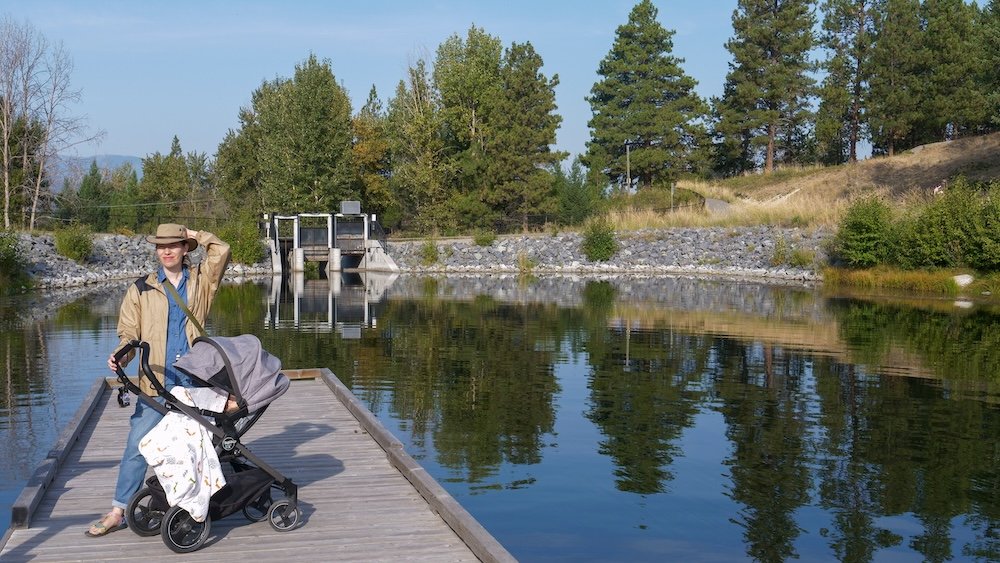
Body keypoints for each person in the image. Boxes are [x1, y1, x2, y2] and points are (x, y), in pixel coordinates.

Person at [85, 223, 231, 537]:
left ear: (184, 248)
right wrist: (121, 356)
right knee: (138, 445)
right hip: (156, 384)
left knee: (194, 447)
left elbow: (221, 251)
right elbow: (128, 335)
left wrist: (197, 234)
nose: (166, 251)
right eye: (161, 246)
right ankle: (118, 511)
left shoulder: (202, 282)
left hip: (193, 383)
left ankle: (194, 505)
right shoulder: (140, 288)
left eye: (174, 245)